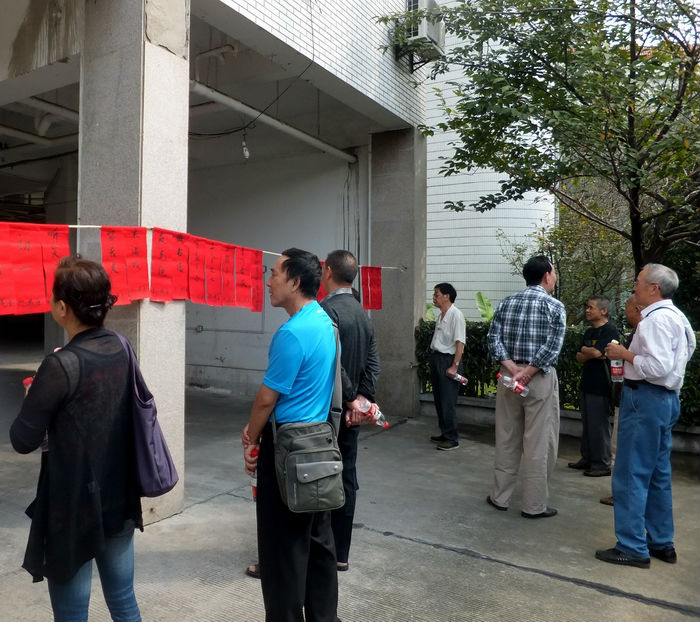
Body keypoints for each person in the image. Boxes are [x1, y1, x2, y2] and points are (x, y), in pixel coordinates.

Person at [10, 256, 143, 622]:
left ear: (62, 307)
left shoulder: (59, 365)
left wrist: (33, 398)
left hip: (72, 504)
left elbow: (22, 439)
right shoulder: (121, 346)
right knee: (123, 599)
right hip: (118, 492)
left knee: (71, 613)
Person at [241, 248, 338, 622]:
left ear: (295, 282)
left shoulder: (292, 333)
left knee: (282, 551)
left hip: (287, 451)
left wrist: (251, 438)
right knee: (318, 545)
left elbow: (267, 399)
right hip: (321, 445)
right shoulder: (325, 322)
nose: (268, 281)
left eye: (274, 273)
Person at [596, 264, 696, 568]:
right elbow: (686, 350)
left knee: (631, 473)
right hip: (665, 400)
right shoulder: (677, 316)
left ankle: (632, 546)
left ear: (654, 288)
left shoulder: (654, 320)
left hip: (645, 399)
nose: (634, 287)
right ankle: (661, 542)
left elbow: (657, 368)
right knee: (657, 474)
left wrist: (624, 354)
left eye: (638, 282)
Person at [486, 255, 566, 518]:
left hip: (508, 378)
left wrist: (513, 369)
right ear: (546, 276)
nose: (554, 278)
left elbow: (493, 339)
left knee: (506, 435)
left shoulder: (506, 302)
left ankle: (500, 497)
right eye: (554, 273)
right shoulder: (555, 306)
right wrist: (528, 371)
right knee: (538, 441)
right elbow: (552, 347)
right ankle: (533, 505)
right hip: (539, 379)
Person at [320, 250, 381, 572]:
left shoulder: (326, 310)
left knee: (320, 475)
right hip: (351, 413)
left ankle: (320, 548)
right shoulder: (361, 312)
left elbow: (333, 360)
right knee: (346, 477)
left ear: (328, 271)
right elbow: (373, 362)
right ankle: (341, 553)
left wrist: (349, 400)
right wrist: (363, 399)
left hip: (330, 411)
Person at [568, 297, 620, 476]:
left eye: (591, 307)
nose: (587, 311)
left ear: (603, 311)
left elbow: (598, 353)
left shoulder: (610, 331)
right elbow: (580, 355)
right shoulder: (589, 332)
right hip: (587, 383)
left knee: (599, 425)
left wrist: (591, 351)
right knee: (588, 424)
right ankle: (588, 458)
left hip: (601, 384)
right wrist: (591, 352)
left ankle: (602, 464)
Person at [600, 294, 643, 506]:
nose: (625, 310)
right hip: (627, 395)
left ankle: (622, 493)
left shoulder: (643, 331)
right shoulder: (638, 331)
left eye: (627, 305)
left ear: (636, 309)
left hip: (631, 397)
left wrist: (621, 353)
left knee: (621, 448)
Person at [428, 283, 465, 451]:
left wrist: (454, 366)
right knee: (439, 399)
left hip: (448, 361)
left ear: (447, 296)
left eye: (437, 294)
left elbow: (460, 344)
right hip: (437, 358)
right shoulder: (441, 315)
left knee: (447, 401)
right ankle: (444, 432)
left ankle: (452, 438)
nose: (434, 298)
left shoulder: (456, 315)